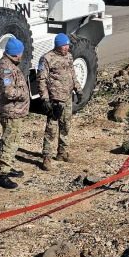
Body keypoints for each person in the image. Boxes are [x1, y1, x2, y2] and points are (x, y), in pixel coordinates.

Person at [37, 33, 82, 169]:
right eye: (64, 45)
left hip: (67, 97)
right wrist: (45, 99)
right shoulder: (47, 58)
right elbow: (41, 80)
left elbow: (72, 74)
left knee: (66, 125)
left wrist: (78, 89)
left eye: (67, 45)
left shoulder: (69, 56)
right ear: (57, 46)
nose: (66, 48)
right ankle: (47, 157)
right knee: (51, 128)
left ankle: (62, 152)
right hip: (55, 99)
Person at [0, 36, 30, 189]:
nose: (22, 55)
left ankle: (8, 166)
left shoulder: (10, 64)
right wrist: (23, 94)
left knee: (13, 140)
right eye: (21, 52)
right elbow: (8, 92)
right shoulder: (6, 68)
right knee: (10, 141)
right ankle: (2, 174)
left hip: (15, 111)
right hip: (11, 111)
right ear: (16, 53)